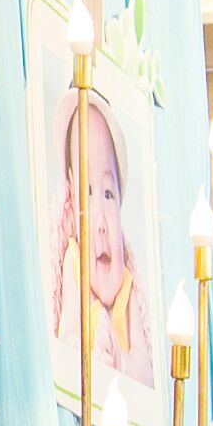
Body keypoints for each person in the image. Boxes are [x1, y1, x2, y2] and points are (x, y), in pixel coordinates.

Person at [52, 90, 141, 401]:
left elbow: (145, 368)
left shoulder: (128, 286)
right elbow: (67, 337)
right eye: (87, 193)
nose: (101, 221)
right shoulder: (74, 264)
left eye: (108, 194)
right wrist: (89, 353)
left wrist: (122, 362)